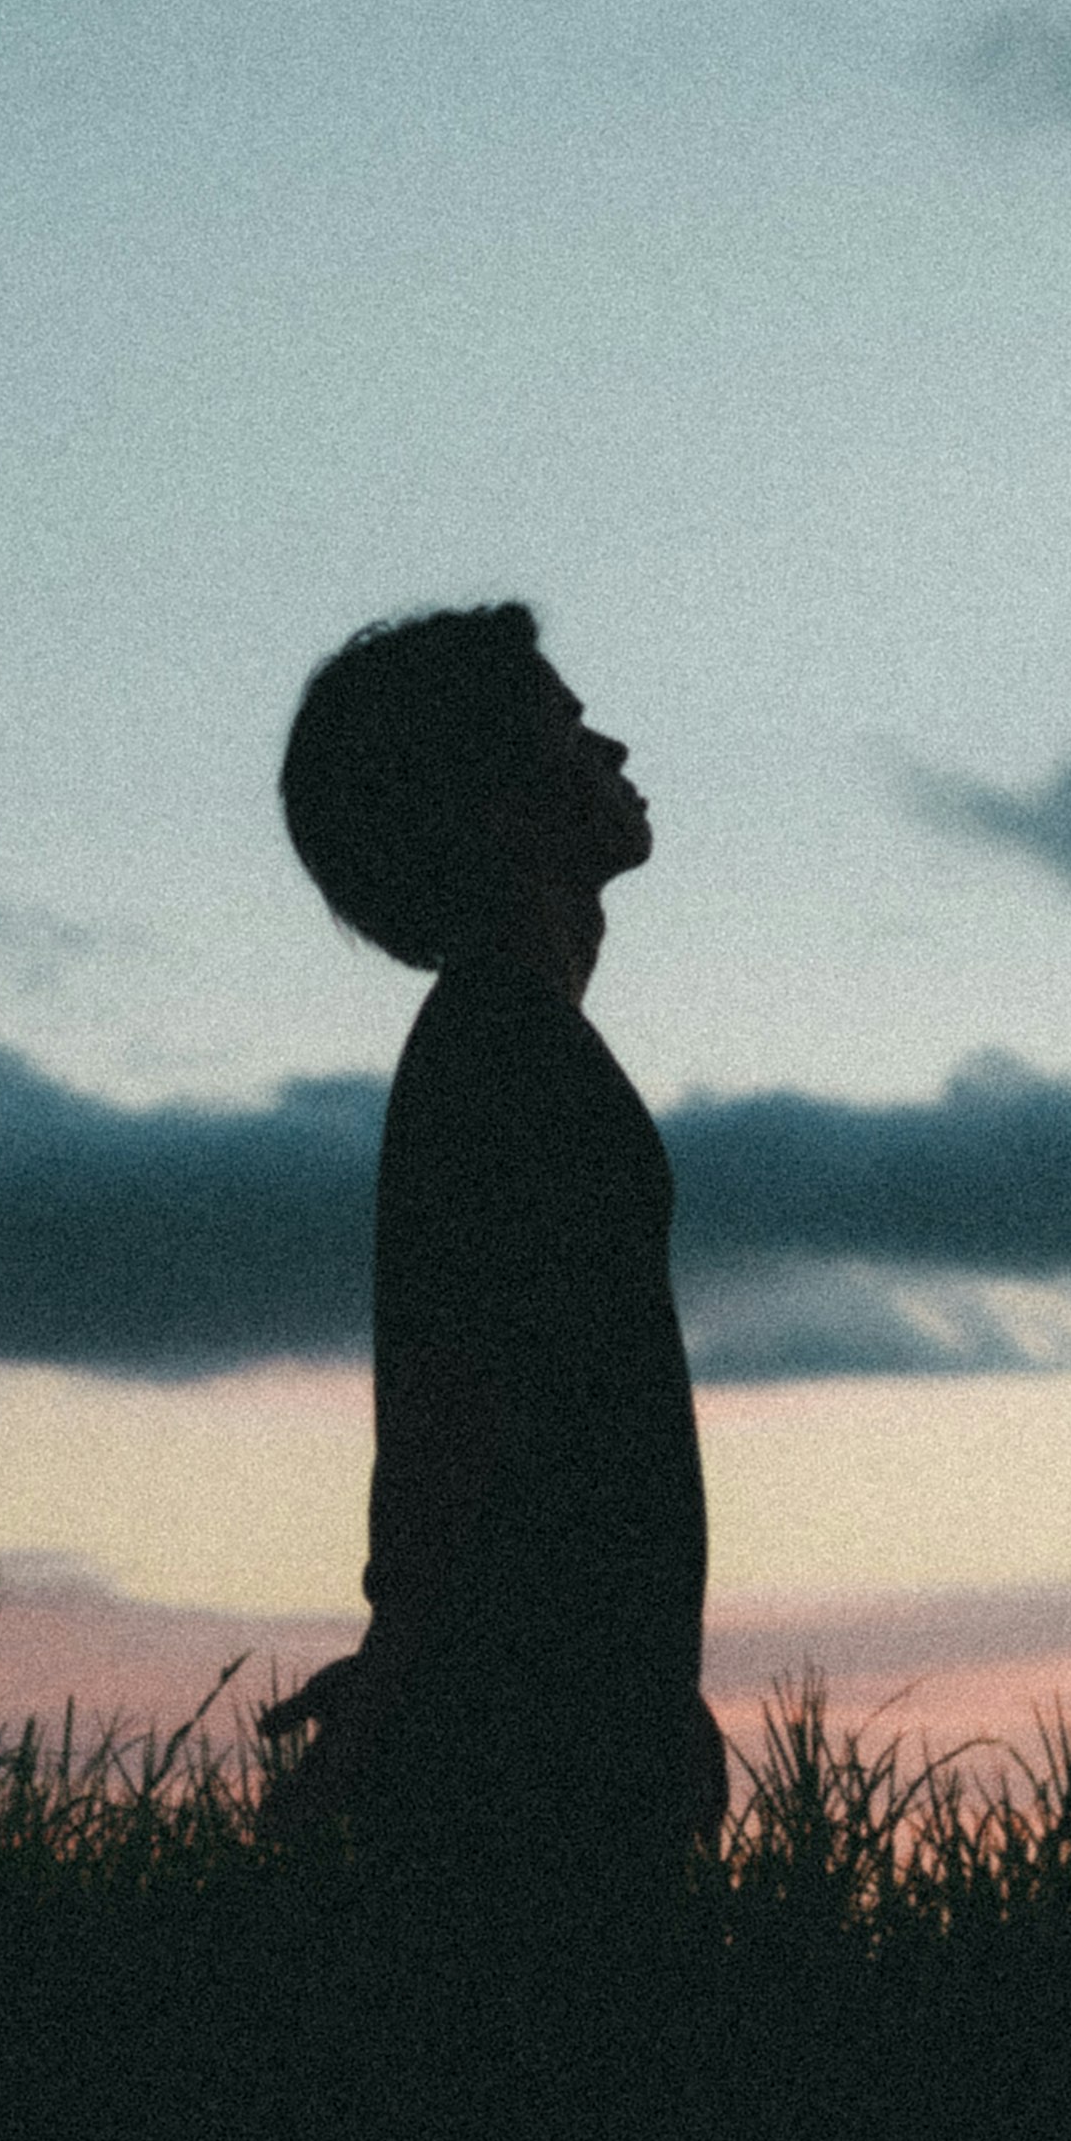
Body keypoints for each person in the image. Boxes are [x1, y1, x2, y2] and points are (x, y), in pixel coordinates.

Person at [267, 605, 730, 1869]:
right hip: (531, 1772)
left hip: (556, 1735)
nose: (616, 751)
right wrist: (401, 1689)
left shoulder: (504, 1049)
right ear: (500, 803)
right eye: (571, 731)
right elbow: (456, 1419)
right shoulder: (503, 1060)